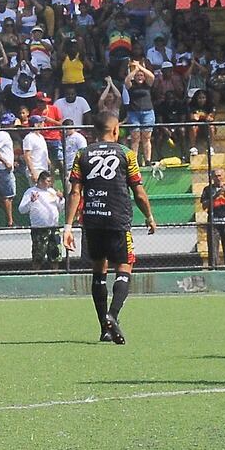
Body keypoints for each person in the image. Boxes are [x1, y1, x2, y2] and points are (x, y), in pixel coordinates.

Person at [62, 114, 157, 343]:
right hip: (117, 219)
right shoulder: (126, 154)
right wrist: (149, 216)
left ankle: (104, 329)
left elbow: (75, 192)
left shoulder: (82, 154)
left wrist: (67, 226)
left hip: (92, 220)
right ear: (115, 130)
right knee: (125, 266)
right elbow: (139, 192)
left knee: (99, 270)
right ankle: (112, 316)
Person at [19, 169, 65, 269]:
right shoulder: (30, 192)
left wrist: (61, 199)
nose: (49, 183)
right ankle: (36, 273)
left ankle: (55, 275)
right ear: (40, 180)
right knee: (38, 255)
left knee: (55, 254)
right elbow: (22, 210)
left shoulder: (52, 192)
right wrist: (31, 201)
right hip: (39, 229)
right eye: (48, 181)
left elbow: (60, 208)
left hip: (53, 228)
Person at [202, 169, 225, 267]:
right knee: (213, 248)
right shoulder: (207, 189)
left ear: (223, 176)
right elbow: (204, 206)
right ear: (212, 178)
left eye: (220, 176)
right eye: (216, 176)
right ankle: (213, 268)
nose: (218, 178)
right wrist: (215, 196)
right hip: (214, 222)